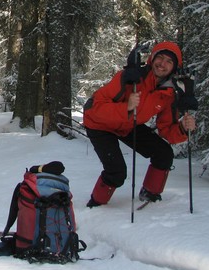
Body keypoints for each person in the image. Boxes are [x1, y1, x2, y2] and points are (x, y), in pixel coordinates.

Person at [82, 41, 196, 207]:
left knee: (164, 154)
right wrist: (126, 108)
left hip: (128, 125)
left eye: (169, 61)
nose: (162, 64)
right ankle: (96, 205)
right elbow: (94, 109)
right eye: (160, 57)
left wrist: (183, 128)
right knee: (117, 172)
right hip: (99, 124)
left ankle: (150, 195)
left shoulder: (168, 93)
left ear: (174, 67)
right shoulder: (130, 77)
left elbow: (166, 129)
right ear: (152, 58)